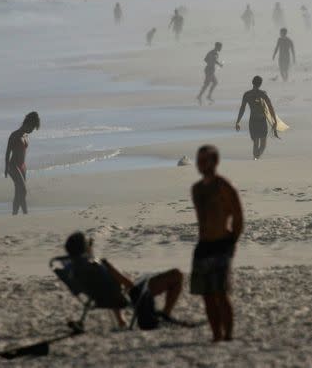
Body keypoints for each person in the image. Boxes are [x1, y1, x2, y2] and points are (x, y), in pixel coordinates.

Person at [63, 231, 183, 329]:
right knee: (177, 274)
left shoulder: (73, 269)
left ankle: (121, 321)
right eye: (90, 244)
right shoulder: (100, 265)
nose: (92, 247)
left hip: (106, 298)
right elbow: (129, 284)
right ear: (86, 249)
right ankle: (166, 315)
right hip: (135, 294)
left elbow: (108, 289)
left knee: (110, 287)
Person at [190, 145, 243, 342]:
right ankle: (216, 335)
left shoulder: (224, 186)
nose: (201, 165)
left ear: (215, 162)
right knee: (207, 295)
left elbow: (238, 216)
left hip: (222, 244)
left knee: (221, 293)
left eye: (205, 160)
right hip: (203, 246)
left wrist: (232, 241)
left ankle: (228, 335)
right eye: (199, 161)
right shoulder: (196, 189)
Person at [5, 112, 40, 215]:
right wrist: (6, 168)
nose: (32, 130)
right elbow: (8, 152)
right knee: (23, 190)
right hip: (13, 166)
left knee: (19, 192)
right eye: (32, 128)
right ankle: (24, 214)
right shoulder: (14, 135)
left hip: (22, 166)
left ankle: (18, 214)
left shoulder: (26, 135)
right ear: (27, 124)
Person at [235, 76, 278, 160]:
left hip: (253, 120)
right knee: (263, 144)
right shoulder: (263, 94)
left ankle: (255, 158)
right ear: (260, 84)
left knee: (255, 142)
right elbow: (270, 107)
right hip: (261, 120)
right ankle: (256, 157)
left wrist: (238, 122)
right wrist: (274, 121)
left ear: (252, 82)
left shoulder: (247, 94)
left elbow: (242, 108)